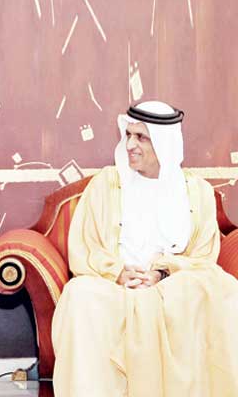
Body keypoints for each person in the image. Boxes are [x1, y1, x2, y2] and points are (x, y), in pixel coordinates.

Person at [52, 100, 238, 397]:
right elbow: (85, 246)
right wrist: (117, 272)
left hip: (173, 285)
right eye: (128, 135)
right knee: (80, 294)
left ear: (165, 142)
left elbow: (203, 255)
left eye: (141, 137)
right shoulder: (105, 184)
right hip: (116, 288)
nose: (130, 145)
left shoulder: (197, 191)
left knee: (221, 288)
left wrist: (163, 273)